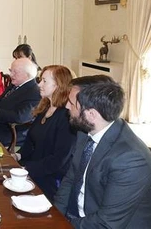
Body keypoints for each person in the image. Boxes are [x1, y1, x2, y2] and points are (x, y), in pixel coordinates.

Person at [54, 75, 151, 227]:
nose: (66, 106)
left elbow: (106, 223)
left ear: (91, 114)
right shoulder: (86, 131)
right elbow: (70, 178)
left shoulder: (131, 160)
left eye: (72, 103)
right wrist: (54, 216)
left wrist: (65, 224)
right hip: (79, 217)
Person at [15, 65, 76, 202]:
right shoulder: (45, 107)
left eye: (44, 81)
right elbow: (31, 142)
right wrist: (18, 155)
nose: (39, 84)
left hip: (49, 178)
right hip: (32, 168)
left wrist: (25, 168)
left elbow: (58, 160)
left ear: (58, 85)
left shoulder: (66, 116)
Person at [0, 58, 41, 147]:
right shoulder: (15, 84)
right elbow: (2, 102)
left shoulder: (34, 92)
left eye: (15, 72)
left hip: (9, 133)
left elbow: (20, 117)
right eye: (11, 71)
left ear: (27, 74)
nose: (11, 75)